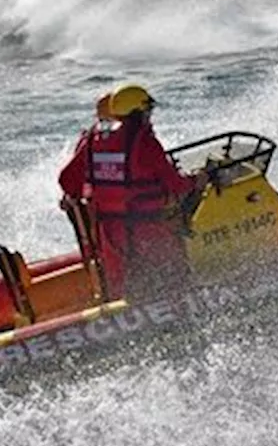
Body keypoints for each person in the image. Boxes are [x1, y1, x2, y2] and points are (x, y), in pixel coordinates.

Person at [59, 84, 200, 299]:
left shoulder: (93, 141)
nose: (149, 117)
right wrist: (199, 180)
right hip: (147, 225)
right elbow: (177, 185)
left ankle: (120, 317)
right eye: (147, 112)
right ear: (137, 113)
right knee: (173, 277)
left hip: (108, 231)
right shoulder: (144, 142)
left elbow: (67, 181)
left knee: (122, 285)